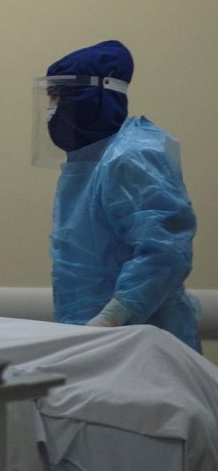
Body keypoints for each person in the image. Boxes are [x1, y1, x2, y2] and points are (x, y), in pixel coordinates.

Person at [36, 40, 199, 350]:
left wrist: (110, 319)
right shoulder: (86, 165)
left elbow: (166, 253)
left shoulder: (133, 155)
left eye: (59, 97)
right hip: (96, 341)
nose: (51, 110)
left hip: (142, 342)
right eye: (50, 98)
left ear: (94, 96)